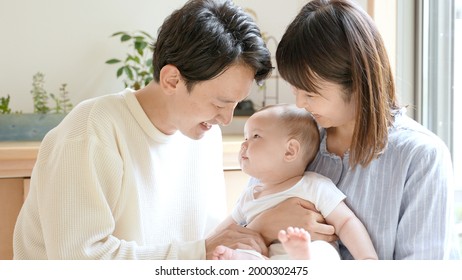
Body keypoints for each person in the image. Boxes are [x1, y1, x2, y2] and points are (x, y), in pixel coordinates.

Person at [13, 0, 273, 260]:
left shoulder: (204, 136)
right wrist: (200, 252)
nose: (226, 119)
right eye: (219, 103)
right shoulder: (92, 130)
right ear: (172, 80)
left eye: (236, 104)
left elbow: (207, 241)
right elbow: (80, 260)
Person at [244, 0, 460, 260]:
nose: (300, 103)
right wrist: (263, 225)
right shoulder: (289, 136)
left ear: (358, 81)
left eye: (311, 93)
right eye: (295, 89)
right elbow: (242, 235)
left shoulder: (420, 157)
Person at [211, 104, 378, 260]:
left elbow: (346, 222)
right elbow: (222, 233)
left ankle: (303, 256)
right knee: (246, 251)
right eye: (245, 137)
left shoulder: (314, 186)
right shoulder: (249, 196)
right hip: (272, 264)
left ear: (290, 151)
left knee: (324, 250)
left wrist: (367, 259)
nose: (244, 144)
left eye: (255, 136)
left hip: (312, 256)